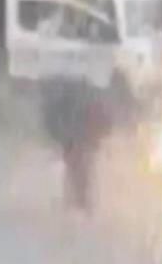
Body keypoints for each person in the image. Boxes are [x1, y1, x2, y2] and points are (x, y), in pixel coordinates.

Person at [40, 74, 128, 212]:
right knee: (79, 166)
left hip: (79, 135)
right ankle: (78, 200)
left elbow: (102, 118)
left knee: (80, 166)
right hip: (76, 134)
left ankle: (79, 200)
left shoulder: (80, 95)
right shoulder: (78, 95)